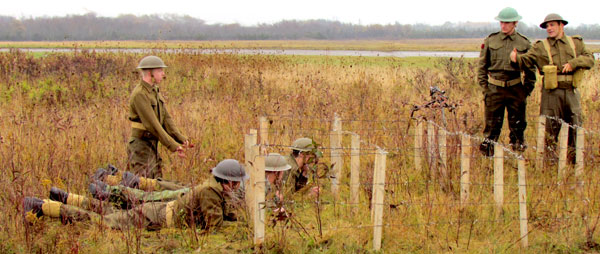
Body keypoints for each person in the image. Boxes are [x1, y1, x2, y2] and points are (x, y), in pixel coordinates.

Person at [24, 159, 248, 232]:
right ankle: (41, 207)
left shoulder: (213, 188)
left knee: (108, 211)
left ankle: (62, 197)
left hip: (157, 213)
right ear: (227, 182)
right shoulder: (211, 192)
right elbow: (214, 226)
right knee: (103, 223)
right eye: (236, 183)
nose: (237, 187)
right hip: (156, 217)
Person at [510, 13, 595, 160]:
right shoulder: (541, 47)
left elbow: (590, 59)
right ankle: (549, 163)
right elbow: (527, 60)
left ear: (561, 25)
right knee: (550, 129)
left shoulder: (575, 43)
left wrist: (573, 63)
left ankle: (573, 162)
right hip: (551, 94)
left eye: (552, 25)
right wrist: (515, 58)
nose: (549, 28)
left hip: (571, 92)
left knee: (575, 127)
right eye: (547, 26)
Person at [477, 7, 537, 156]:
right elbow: (482, 67)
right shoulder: (491, 40)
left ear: (515, 23)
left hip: (515, 89)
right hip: (494, 90)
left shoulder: (524, 43)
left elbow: (530, 71)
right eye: (501, 22)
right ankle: (488, 159)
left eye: (507, 23)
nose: (503, 25)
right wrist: (486, 89)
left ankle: (518, 159)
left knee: (517, 128)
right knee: (491, 128)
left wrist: (525, 91)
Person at [128, 55, 191, 178]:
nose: (163, 74)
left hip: (151, 143)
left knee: (156, 178)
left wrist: (181, 139)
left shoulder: (154, 91)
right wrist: (173, 146)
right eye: (160, 71)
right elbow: (153, 125)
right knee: (145, 183)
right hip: (141, 146)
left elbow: (166, 119)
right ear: (150, 73)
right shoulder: (140, 94)